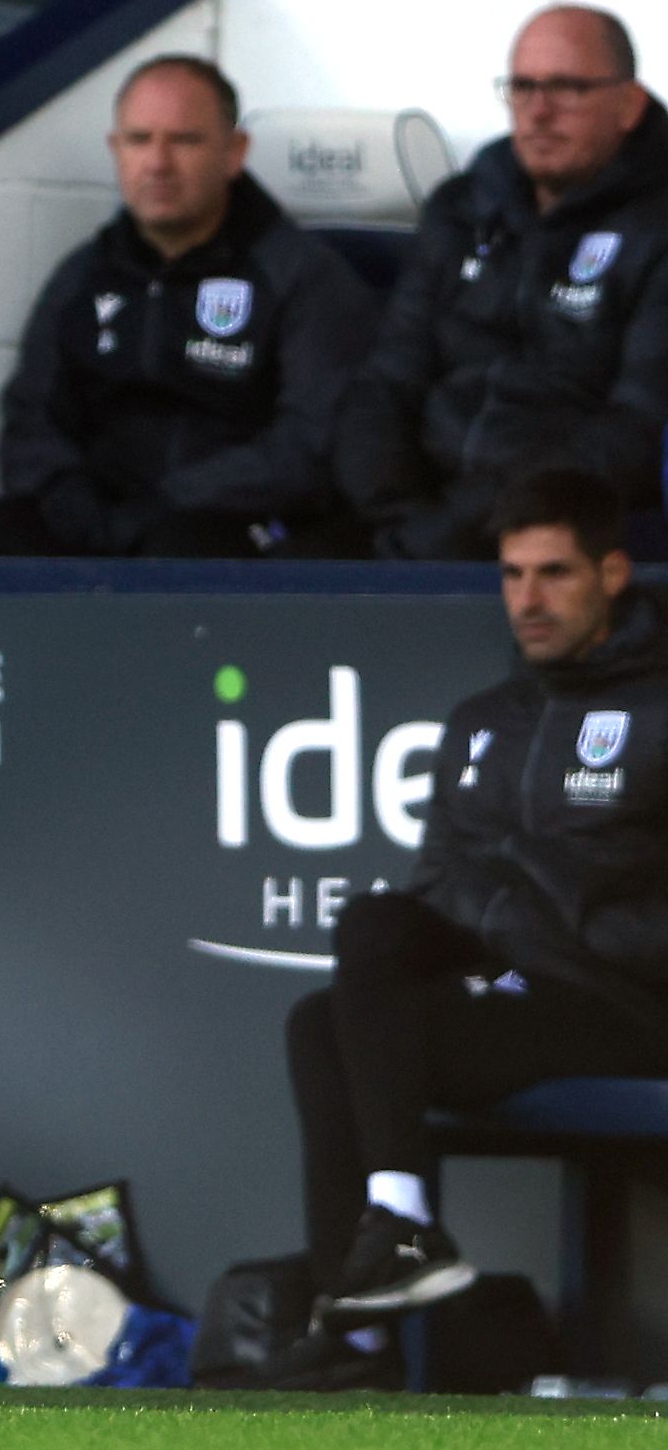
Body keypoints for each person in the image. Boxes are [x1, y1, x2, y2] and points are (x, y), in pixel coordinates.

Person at [273, 468, 668, 1389]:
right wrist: (499, 934)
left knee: (353, 1023)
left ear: (612, 572)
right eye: (512, 574)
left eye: (555, 573)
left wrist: (572, 927)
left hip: (620, 1000)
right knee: (351, 961)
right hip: (511, 985)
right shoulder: (484, 720)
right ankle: (380, 1268)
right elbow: (441, 884)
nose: (528, 599)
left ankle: (372, 1301)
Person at [0, 55, 373, 558]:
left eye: (184, 140)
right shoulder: (82, 276)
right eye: (139, 140)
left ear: (234, 152)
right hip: (99, 518)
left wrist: (174, 501)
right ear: (116, 150)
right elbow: (31, 417)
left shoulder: (302, 277)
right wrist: (68, 498)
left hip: (225, 523)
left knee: (177, 553)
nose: (158, 163)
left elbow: (312, 442)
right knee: (5, 548)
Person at [336, 6, 668, 560]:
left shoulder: (658, 226)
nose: (538, 112)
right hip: (418, 516)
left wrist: (470, 522)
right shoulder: (461, 209)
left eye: (567, 88)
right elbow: (387, 380)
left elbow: (636, 427)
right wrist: (396, 511)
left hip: (568, 534)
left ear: (629, 104)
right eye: (522, 87)